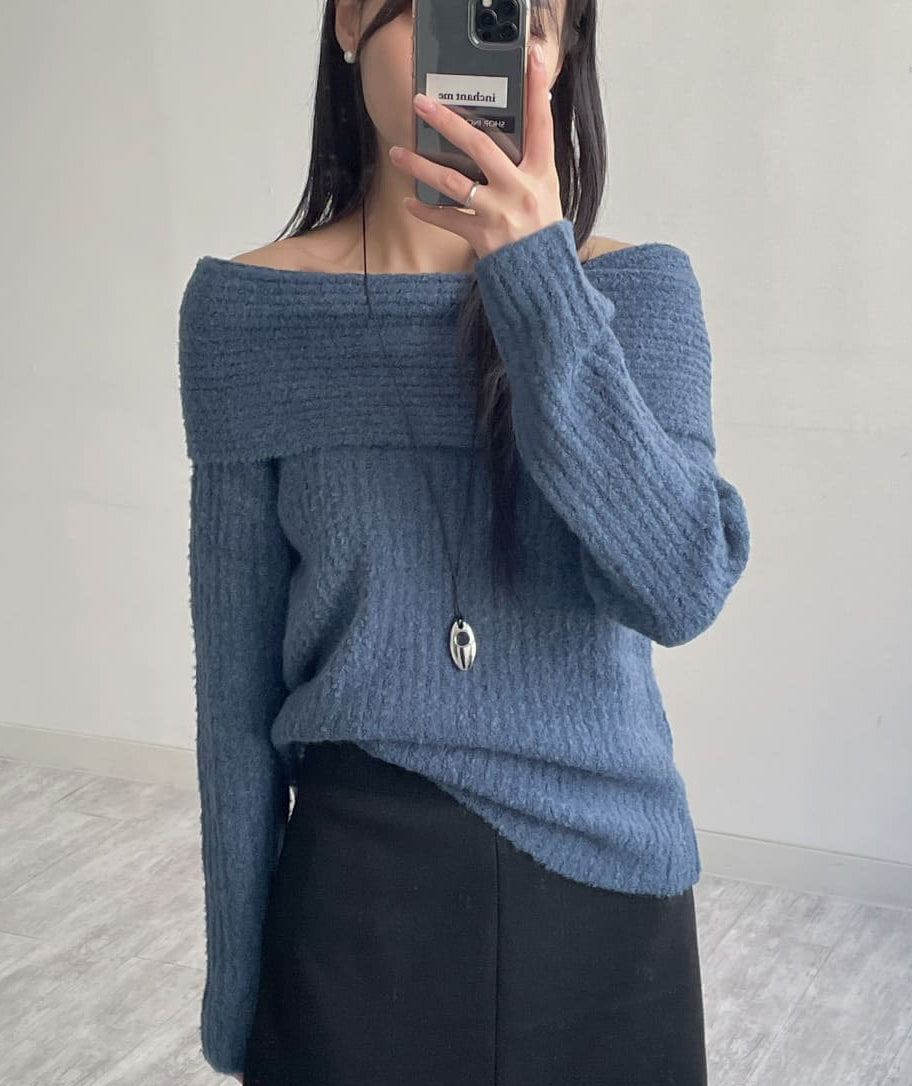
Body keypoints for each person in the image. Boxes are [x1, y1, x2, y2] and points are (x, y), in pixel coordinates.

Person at [177, 0, 752, 1082]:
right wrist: (241, 1000)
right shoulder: (247, 314)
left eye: (524, 20)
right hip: (356, 899)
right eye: (455, 10)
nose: (488, 55)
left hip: (609, 899)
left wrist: (539, 286)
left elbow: (681, 586)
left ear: (562, 57)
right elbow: (234, 706)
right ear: (352, 19)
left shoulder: (638, 292)